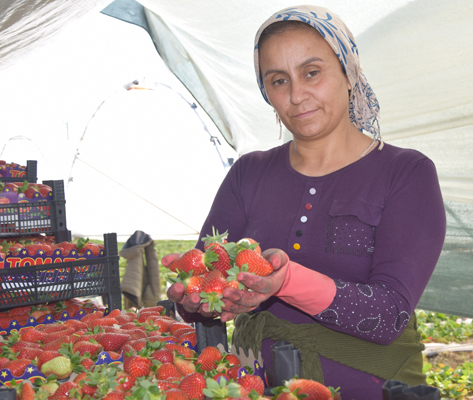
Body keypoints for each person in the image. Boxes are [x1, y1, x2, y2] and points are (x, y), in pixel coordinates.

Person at [167, 6, 446, 399]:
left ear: (349, 73)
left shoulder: (405, 172)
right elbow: (209, 278)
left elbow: (389, 315)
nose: (297, 95)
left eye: (311, 73)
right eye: (279, 81)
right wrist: (201, 300)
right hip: (259, 386)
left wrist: (287, 282)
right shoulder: (250, 173)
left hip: (373, 390)